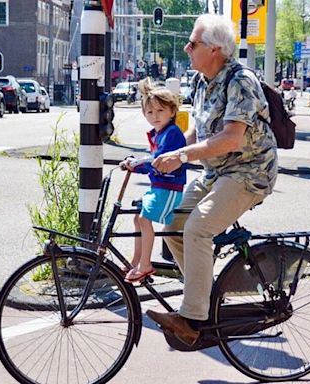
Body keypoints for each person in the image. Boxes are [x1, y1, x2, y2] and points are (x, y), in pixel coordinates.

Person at [146, 14, 278, 346]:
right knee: (173, 222)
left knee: (198, 228)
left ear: (215, 49)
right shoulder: (200, 81)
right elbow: (199, 132)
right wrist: (165, 151)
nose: (187, 48)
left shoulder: (241, 81)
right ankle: (204, 297)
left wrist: (182, 156)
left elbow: (232, 138)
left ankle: (192, 317)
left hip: (249, 172)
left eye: (193, 43)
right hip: (216, 172)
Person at [119, 78, 187, 283]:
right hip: (159, 186)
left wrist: (137, 164)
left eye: (160, 111)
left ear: (172, 111)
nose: (155, 116)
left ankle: (145, 264)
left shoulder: (172, 134)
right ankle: (136, 260)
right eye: (150, 112)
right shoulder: (159, 134)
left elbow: (159, 162)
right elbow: (152, 163)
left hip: (169, 188)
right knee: (137, 219)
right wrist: (136, 165)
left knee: (143, 219)